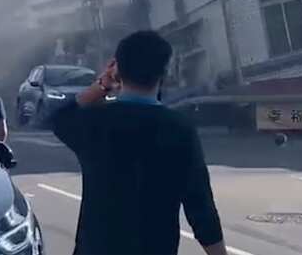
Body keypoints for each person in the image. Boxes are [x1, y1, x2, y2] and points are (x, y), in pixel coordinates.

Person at [52, 31, 226, 255]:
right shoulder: (178, 129)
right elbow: (201, 208)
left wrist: (102, 85)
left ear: (118, 70)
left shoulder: (94, 122)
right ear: (164, 73)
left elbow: (58, 118)